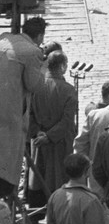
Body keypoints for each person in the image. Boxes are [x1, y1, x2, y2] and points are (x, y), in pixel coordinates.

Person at [27, 49, 76, 198]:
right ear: (62, 66)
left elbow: (28, 114)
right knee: (58, 178)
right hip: (59, 142)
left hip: (39, 140)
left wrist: (38, 132)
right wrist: (49, 136)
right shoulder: (68, 90)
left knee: (39, 176)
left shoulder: (35, 86)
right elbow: (67, 120)